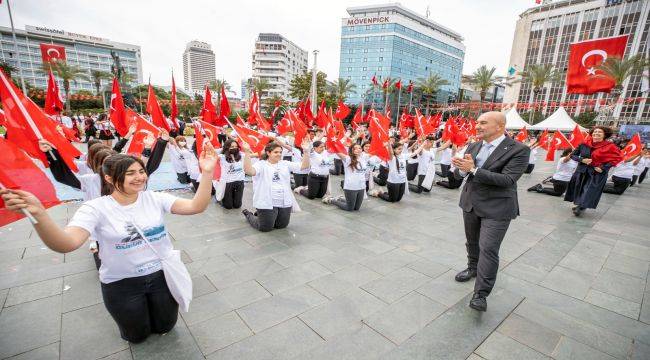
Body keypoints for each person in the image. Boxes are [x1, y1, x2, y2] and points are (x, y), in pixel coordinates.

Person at [0, 144, 218, 343]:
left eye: (141, 171)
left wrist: (207, 172)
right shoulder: (95, 208)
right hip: (122, 284)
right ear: (109, 178)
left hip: (162, 276)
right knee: (136, 336)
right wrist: (39, 215)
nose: (139, 177)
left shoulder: (155, 198)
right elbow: (66, 243)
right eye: (130, 173)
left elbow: (196, 206)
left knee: (166, 326)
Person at [450, 111, 530, 312]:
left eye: (483, 123)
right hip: (471, 203)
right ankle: (472, 267)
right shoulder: (474, 145)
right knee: (472, 242)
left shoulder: (519, 150)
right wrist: (461, 168)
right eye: (477, 122)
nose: (477, 126)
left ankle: (481, 294)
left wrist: (474, 170)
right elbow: (464, 174)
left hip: (497, 207)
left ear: (499, 126)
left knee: (489, 248)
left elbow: (508, 180)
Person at [241, 140, 310, 232]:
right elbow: (249, 171)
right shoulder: (261, 164)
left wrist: (306, 151)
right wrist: (246, 152)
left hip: (284, 201)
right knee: (265, 228)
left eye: (280, 152)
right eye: (276, 152)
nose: (279, 154)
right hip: (267, 202)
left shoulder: (284, 163)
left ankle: (263, 215)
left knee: (281, 226)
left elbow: (304, 166)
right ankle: (249, 215)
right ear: (268, 153)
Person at [564, 126, 622, 216]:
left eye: (599, 132)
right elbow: (573, 155)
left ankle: (580, 206)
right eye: (595, 132)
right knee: (580, 188)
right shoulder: (584, 144)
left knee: (589, 190)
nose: (596, 133)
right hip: (582, 170)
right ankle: (581, 205)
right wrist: (582, 160)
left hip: (597, 172)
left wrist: (603, 168)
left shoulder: (610, 146)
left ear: (604, 135)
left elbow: (617, 159)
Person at [323, 143, 367, 211]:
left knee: (356, 208)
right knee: (349, 208)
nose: (358, 150)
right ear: (351, 150)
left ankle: (340, 198)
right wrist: (333, 142)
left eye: (359, 148)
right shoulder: (347, 158)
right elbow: (337, 151)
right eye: (355, 148)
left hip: (361, 186)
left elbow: (377, 151)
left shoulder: (363, 158)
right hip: (351, 187)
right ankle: (332, 200)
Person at [216, 139, 245, 209]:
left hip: (239, 181)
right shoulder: (222, 157)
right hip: (228, 182)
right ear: (227, 147)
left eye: (236, 146)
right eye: (232, 146)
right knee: (228, 206)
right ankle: (219, 199)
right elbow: (212, 155)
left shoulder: (241, 155)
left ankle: (232, 198)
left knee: (237, 205)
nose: (234, 148)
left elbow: (255, 154)